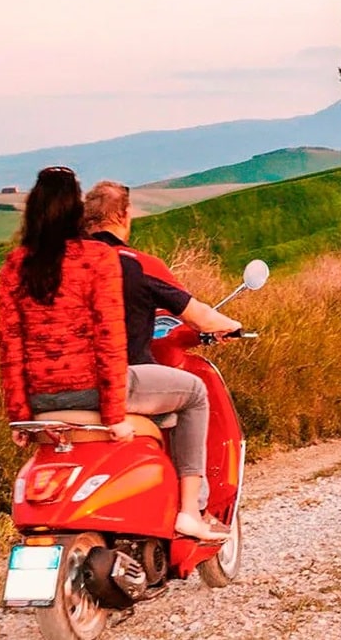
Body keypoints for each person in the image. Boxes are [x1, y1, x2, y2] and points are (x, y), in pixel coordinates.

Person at [0, 167, 218, 541]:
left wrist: (20, 415)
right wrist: (114, 416)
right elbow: (109, 339)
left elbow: (10, 346)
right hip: (95, 390)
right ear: (74, 211)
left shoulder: (16, 265)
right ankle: (189, 511)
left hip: (40, 398)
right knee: (195, 392)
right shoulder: (96, 258)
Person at [82, 180, 241, 539]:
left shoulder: (63, 264)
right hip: (122, 380)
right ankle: (190, 510)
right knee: (195, 394)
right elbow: (197, 315)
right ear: (123, 215)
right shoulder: (135, 263)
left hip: (60, 386)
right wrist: (231, 326)